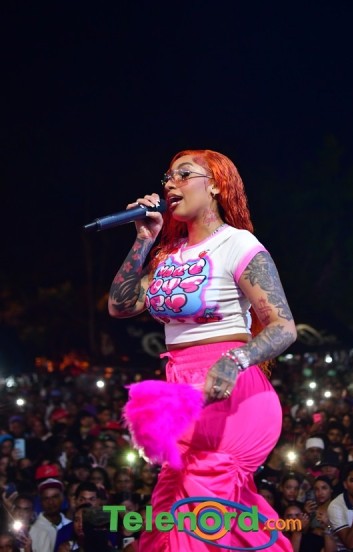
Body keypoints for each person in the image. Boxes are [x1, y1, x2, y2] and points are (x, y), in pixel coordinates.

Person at [108, 149, 297, 550]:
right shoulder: (168, 256)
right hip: (183, 399)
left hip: (233, 395)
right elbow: (120, 306)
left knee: (196, 518)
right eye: (167, 177)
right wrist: (144, 238)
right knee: (168, 521)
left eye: (184, 174)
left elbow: (283, 327)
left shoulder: (237, 243)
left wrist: (235, 361)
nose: (170, 184)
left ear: (215, 186)